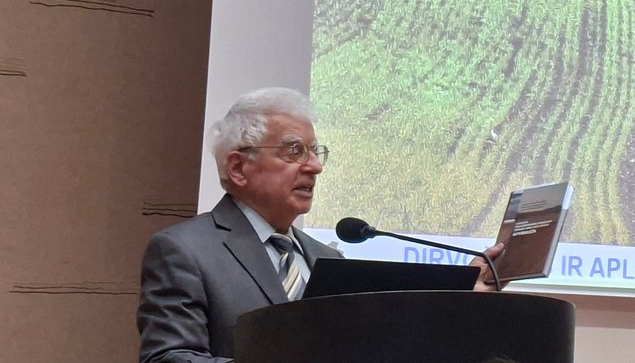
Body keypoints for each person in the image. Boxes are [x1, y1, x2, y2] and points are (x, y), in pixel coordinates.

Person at [137, 87, 504, 363]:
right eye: (294, 151)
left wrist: (461, 297)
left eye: (315, 151)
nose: (314, 167)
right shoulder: (185, 251)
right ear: (238, 167)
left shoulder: (327, 258)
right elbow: (168, 358)